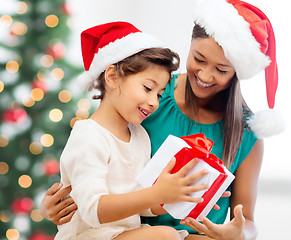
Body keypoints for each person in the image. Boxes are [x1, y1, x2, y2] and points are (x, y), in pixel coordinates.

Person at [40, 0, 284, 239]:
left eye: (221, 70)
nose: (206, 75)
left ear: (237, 73)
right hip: (132, 232)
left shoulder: (246, 131)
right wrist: (53, 207)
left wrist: (239, 232)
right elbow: (92, 162)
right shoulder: (148, 94)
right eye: (199, 59)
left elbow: (247, 220)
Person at [52, 21, 213, 240]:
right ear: (112, 78)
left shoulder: (140, 136)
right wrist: (155, 193)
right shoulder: (89, 136)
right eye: (147, 88)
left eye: (159, 94)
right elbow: (93, 211)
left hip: (125, 233)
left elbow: (143, 206)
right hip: (90, 235)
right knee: (167, 236)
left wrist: (181, 196)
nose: (154, 102)